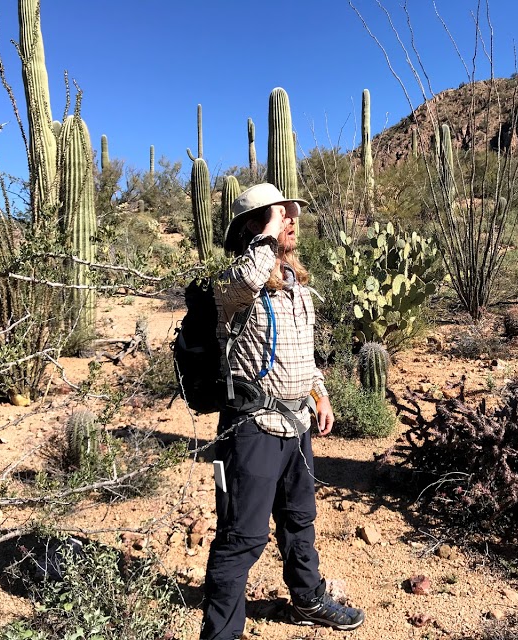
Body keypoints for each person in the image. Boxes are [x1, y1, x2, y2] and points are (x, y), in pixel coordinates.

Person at [199, 183, 365, 640]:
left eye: (294, 214)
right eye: (281, 213)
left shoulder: (295, 285)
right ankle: (221, 635)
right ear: (254, 225)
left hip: (297, 424)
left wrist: (321, 393)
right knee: (242, 538)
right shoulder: (235, 283)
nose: (292, 220)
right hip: (251, 428)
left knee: (299, 519)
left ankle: (308, 598)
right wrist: (266, 236)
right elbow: (249, 278)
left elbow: (305, 355)